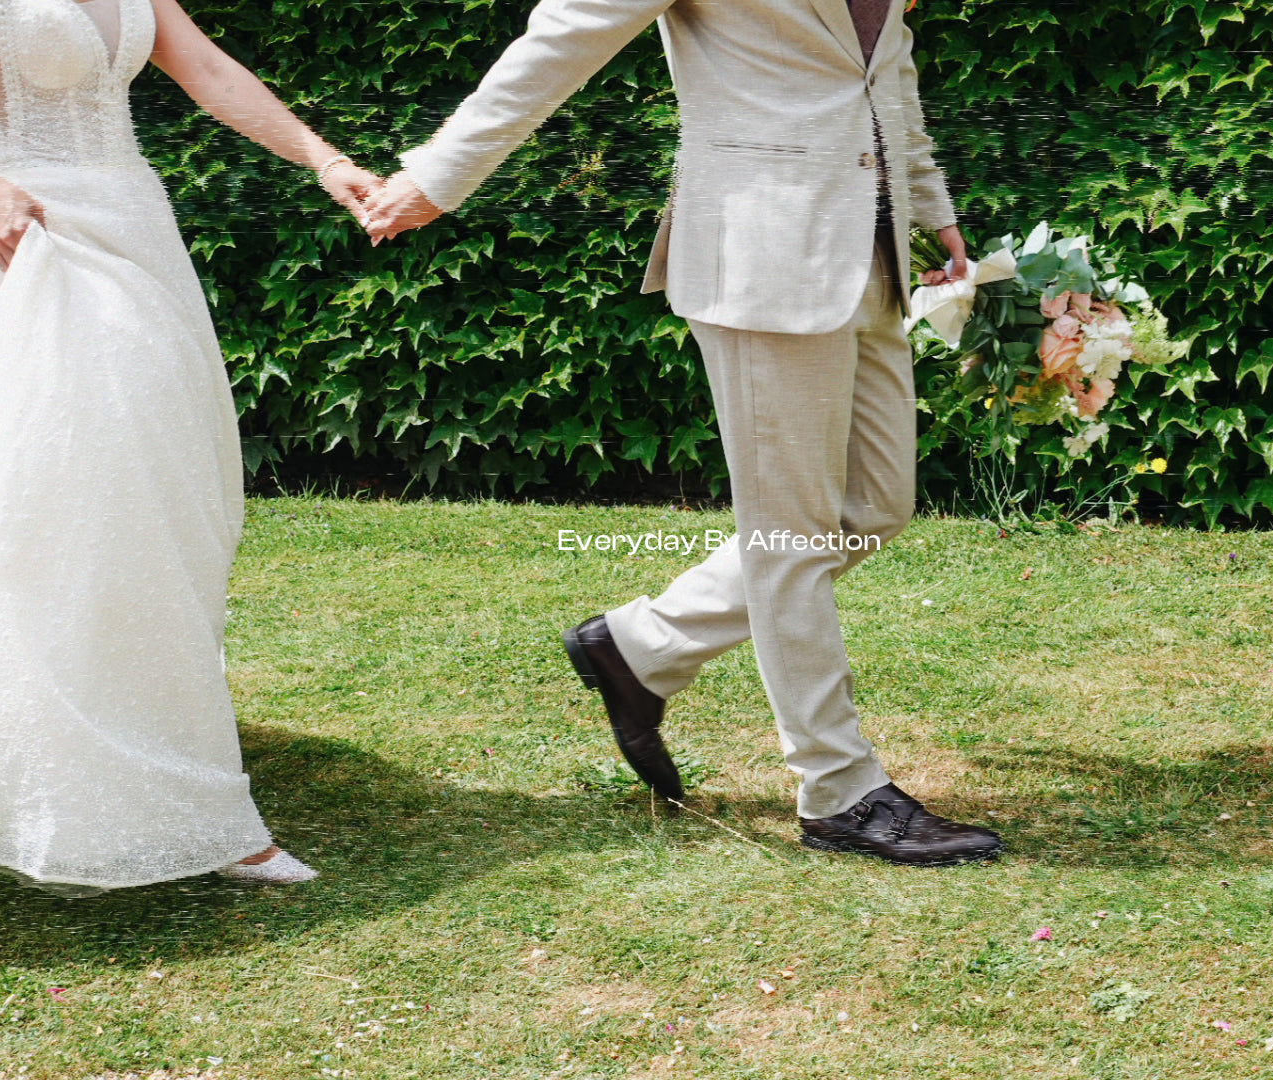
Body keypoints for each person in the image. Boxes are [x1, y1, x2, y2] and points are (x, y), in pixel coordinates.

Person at [364, 0, 1003, 866]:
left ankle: (640, 646)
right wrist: (438, 177)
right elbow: (565, 34)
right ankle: (839, 790)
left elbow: (884, 70)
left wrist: (935, 208)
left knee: (875, 509)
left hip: (872, 252)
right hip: (762, 255)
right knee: (792, 537)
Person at [0, 0, 379, 891]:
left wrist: (325, 160)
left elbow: (208, 72)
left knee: (164, 495)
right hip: (27, 238)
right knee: (65, 499)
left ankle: (157, 752)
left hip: (131, 223)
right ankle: (167, 802)